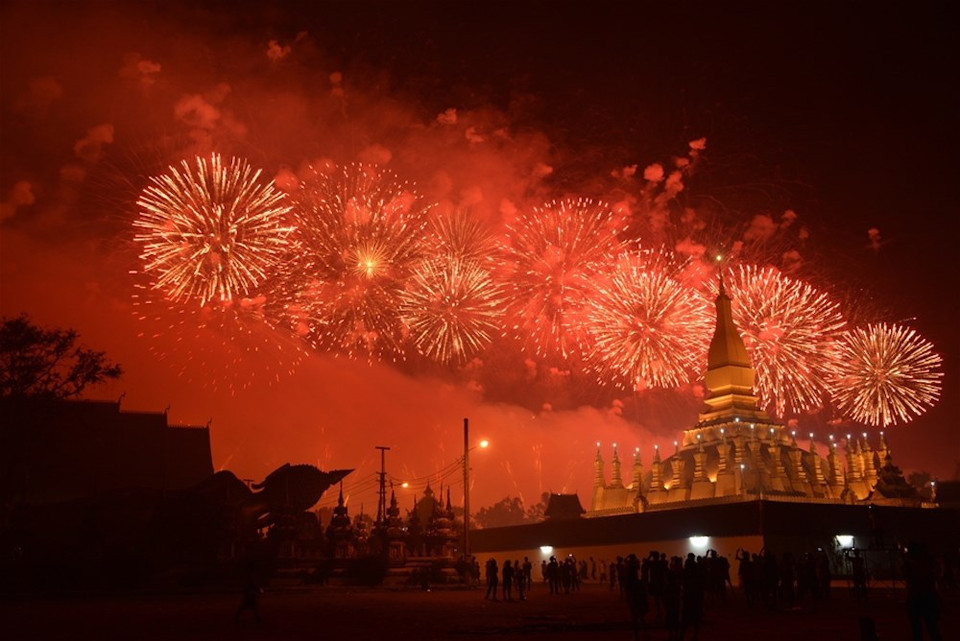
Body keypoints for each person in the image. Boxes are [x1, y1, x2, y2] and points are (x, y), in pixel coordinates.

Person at [903, 542, 942, 641]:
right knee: (931, 627)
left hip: (916, 597)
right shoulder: (927, 563)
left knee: (918, 629)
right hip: (926, 596)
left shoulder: (910, 565)